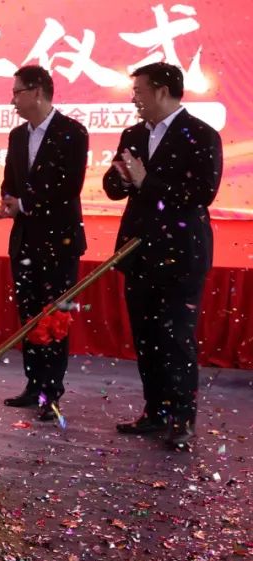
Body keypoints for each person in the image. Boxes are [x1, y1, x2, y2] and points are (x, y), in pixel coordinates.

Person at [104, 62, 223, 450]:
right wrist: (122, 178)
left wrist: (146, 181)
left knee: (175, 339)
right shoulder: (134, 134)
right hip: (139, 251)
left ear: (161, 90)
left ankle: (182, 419)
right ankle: (154, 412)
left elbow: (202, 193)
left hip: (181, 254)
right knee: (147, 337)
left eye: (139, 90)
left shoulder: (201, 135)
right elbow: (113, 188)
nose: (134, 98)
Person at [0, 65, 88, 421]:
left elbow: (69, 187)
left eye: (17, 92)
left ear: (37, 92)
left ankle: (52, 391)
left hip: (59, 242)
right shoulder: (18, 136)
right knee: (30, 316)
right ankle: (34, 384)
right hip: (24, 241)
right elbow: (10, 180)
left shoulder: (72, 132)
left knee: (55, 318)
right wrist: (8, 201)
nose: (13, 101)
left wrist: (25, 204)